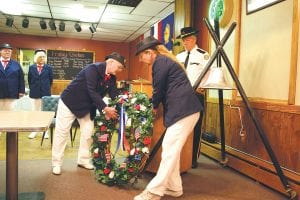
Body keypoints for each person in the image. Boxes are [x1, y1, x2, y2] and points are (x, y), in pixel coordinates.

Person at [134, 36, 202, 200]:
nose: (142, 60)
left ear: (149, 52)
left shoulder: (160, 62)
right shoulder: (164, 61)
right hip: (186, 110)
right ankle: (174, 188)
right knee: (171, 150)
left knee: (169, 150)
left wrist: (152, 107)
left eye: (142, 56)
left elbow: (158, 90)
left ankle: (154, 192)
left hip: (184, 110)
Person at [52, 52, 126, 175]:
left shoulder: (112, 78)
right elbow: (91, 91)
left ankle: (83, 160)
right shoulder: (93, 69)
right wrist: (105, 108)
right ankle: (56, 163)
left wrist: (124, 103)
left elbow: (114, 95)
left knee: (88, 133)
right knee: (62, 133)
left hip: (87, 107)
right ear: (111, 62)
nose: (119, 70)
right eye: (119, 67)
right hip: (69, 103)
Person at [176, 27, 210, 168]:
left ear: (194, 39)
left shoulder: (203, 55)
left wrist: (204, 85)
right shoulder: (179, 57)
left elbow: (210, 72)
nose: (185, 42)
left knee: (195, 127)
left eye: (188, 39)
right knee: (180, 126)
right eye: (183, 40)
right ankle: (181, 156)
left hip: (196, 95)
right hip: (180, 96)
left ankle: (193, 158)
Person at [28, 49, 53, 139]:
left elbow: (50, 81)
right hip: (35, 93)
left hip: (45, 94)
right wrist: (35, 88)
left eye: (43, 57)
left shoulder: (49, 68)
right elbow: (30, 80)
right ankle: (34, 131)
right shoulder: (31, 68)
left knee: (44, 113)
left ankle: (45, 132)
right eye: (40, 57)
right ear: (36, 58)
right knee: (35, 112)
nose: (42, 58)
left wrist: (45, 88)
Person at [0, 43, 25, 110]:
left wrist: (21, 91)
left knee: (10, 112)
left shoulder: (16, 64)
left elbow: (21, 78)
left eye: (9, 51)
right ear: (0, 51)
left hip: (12, 93)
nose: (7, 52)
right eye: (5, 50)